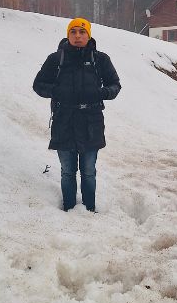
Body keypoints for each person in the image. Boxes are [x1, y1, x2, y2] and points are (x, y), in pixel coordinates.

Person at [32, 17, 122, 213]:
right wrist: (56, 92)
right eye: (73, 32)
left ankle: (89, 209)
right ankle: (68, 208)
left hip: (92, 122)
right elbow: (38, 85)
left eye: (82, 32)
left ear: (89, 35)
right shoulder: (56, 59)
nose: (78, 35)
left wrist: (101, 93)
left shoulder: (101, 59)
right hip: (64, 121)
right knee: (67, 172)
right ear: (68, 35)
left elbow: (115, 85)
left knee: (89, 172)